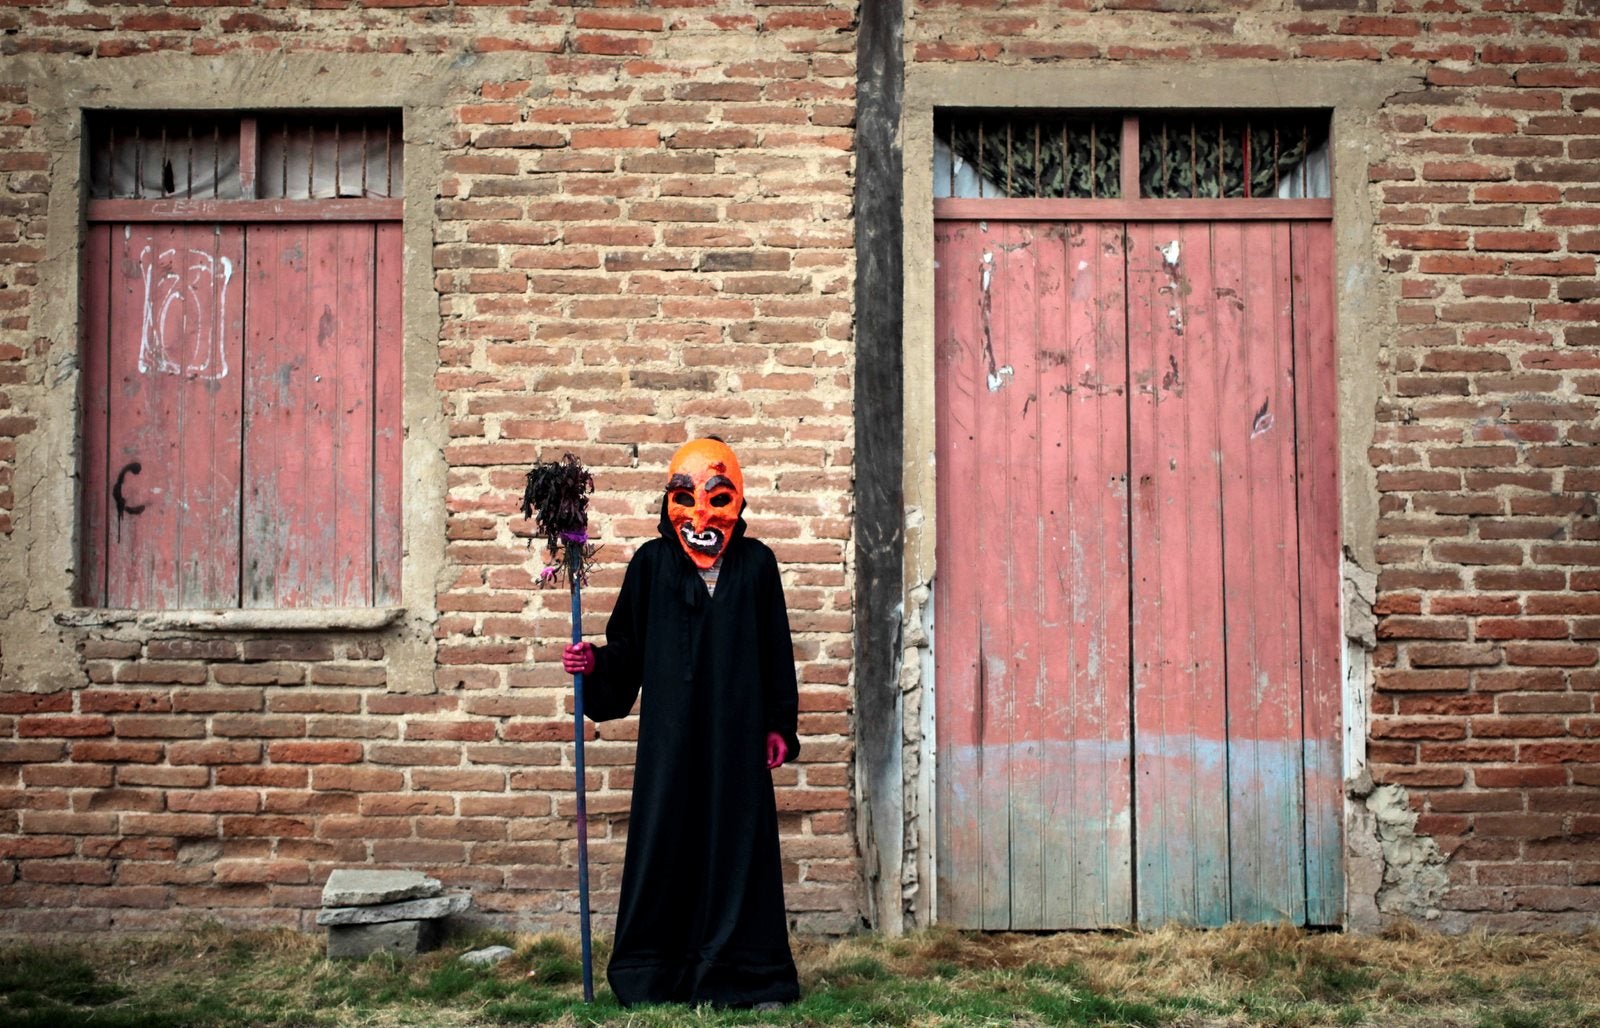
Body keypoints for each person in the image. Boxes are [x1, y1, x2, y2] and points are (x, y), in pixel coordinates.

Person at [562, 437, 802, 1009]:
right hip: (670, 738)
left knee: (738, 840)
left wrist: (778, 725)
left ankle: (747, 973)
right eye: (685, 497)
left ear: (738, 503)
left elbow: (776, 651)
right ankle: (655, 971)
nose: (700, 514)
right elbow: (628, 647)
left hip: (738, 734)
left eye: (718, 498)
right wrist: (594, 662)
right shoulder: (649, 563)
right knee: (666, 837)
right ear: (667, 501)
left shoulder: (758, 564)